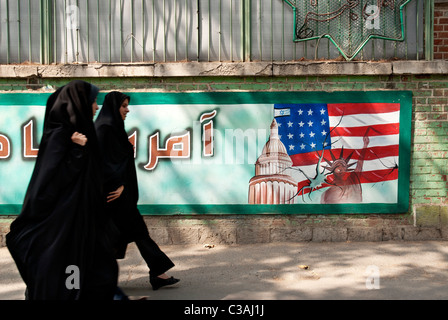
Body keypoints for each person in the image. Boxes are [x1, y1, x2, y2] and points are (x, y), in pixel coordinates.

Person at [6, 80, 118, 300]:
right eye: (94, 102)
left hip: (82, 223)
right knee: (70, 277)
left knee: (93, 275)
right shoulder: (62, 136)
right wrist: (77, 151)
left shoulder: (84, 134)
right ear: (79, 104)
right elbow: (50, 183)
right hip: (64, 226)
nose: (97, 107)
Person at [95, 91, 179, 291]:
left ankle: (157, 273)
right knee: (133, 232)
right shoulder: (104, 129)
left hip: (121, 196)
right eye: (123, 106)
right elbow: (100, 164)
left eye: (127, 105)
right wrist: (119, 184)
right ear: (113, 107)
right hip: (113, 196)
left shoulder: (114, 128)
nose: (127, 110)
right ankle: (157, 273)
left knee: (127, 234)